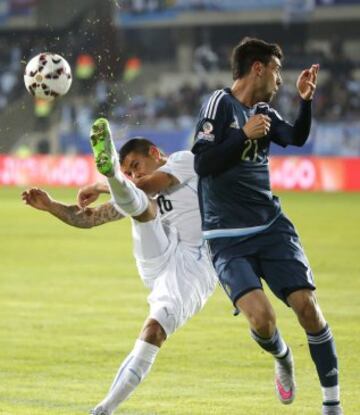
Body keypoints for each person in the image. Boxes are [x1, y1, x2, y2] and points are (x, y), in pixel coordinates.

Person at [22, 118, 217, 415]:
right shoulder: (137, 190)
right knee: (142, 208)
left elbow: (144, 185)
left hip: (194, 264)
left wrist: (105, 183)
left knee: (154, 330)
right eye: (126, 171)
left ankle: (104, 409)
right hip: (158, 259)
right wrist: (51, 206)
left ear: (154, 153)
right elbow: (87, 218)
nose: (134, 174)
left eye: (134, 165)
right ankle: (110, 169)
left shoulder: (184, 160)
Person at [191, 37, 342, 415]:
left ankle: (332, 405)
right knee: (262, 319)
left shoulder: (265, 113)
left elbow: (296, 137)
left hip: (271, 227)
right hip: (226, 237)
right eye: (276, 70)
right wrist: (242, 135)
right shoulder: (218, 104)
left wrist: (305, 101)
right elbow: (202, 165)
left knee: (308, 308)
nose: (280, 80)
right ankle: (283, 357)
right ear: (257, 68)